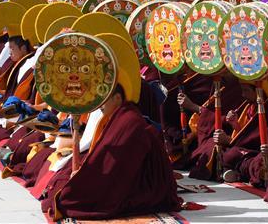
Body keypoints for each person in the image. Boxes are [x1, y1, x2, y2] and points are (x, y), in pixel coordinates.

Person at [39, 84, 181, 220]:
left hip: (150, 186)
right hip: (137, 178)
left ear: (117, 98)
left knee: (73, 198)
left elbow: (115, 169)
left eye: (104, 100)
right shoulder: (119, 116)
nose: (100, 105)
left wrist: (84, 177)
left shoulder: (128, 121)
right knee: (66, 181)